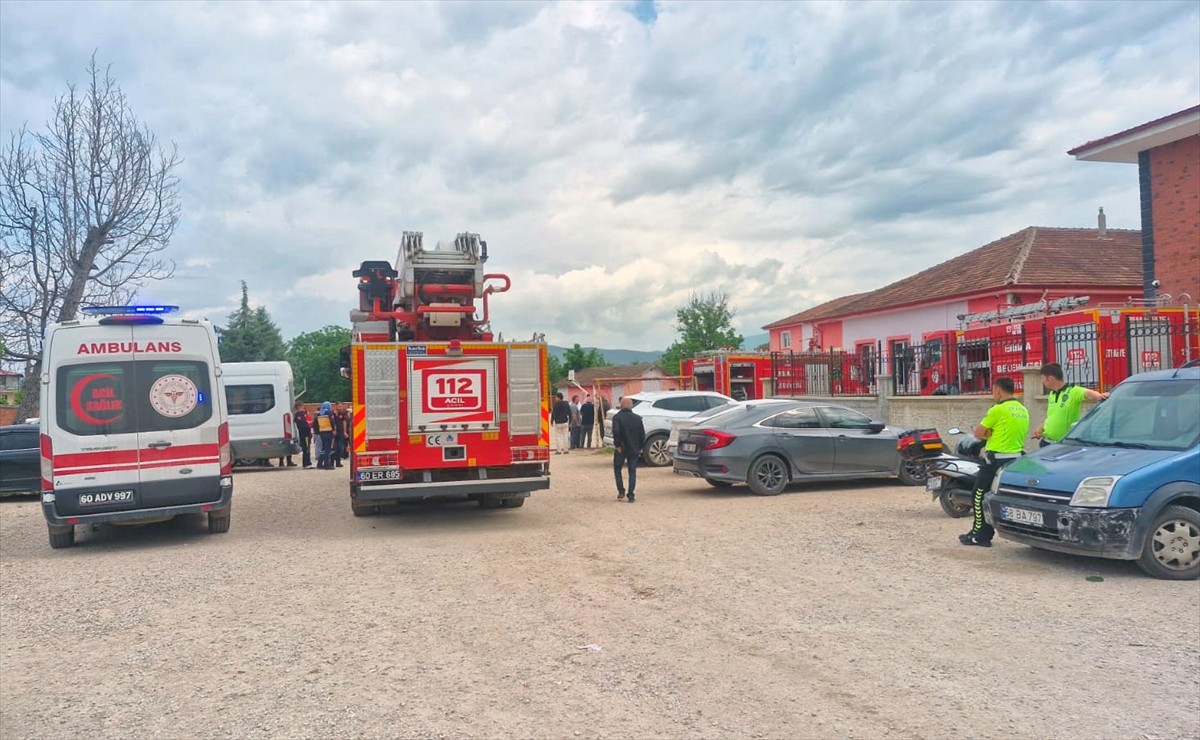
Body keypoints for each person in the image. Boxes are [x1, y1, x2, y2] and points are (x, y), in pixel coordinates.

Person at [960, 377, 1030, 547]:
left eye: (993, 391)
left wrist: (988, 433)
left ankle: (980, 535)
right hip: (1015, 459)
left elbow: (978, 433)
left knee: (978, 495)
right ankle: (980, 531)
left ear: (998, 390)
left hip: (995, 460)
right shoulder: (1023, 410)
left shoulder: (998, 409)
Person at [1034, 363, 1108, 447]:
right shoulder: (1052, 394)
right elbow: (1052, 416)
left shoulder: (1073, 391)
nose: (1042, 381)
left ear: (1050, 378)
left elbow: (1087, 393)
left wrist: (1099, 396)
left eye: (1042, 378)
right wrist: (1040, 428)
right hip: (1046, 442)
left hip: (1063, 445)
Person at [610, 397, 646, 502]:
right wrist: (640, 447)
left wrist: (617, 445)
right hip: (634, 447)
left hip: (621, 447)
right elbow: (642, 434)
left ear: (621, 406)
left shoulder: (617, 417)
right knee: (632, 471)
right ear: (631, 406)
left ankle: (621, 490)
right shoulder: (637, 418)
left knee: (617, 468)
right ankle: (631, 494)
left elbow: (616, 432)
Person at [313, 401, 336, 470]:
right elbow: (332, 421)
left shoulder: (319, 413)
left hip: (322, 432)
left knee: (323, 448)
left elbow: (315, 423)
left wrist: (318, 431)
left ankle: (319, 464)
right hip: (328, 432)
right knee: (328, 449)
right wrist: (334, 429)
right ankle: (327, 465)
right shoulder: (329, 413)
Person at [294, 403, 313, 469]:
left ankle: (306, 463)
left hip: (307, 434)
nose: (303, 408)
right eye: (302, 406)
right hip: (304, 435)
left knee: (307, 448)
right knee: (306, 449)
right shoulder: (298, 415)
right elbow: (303, 425)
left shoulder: (303, 414)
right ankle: (307, 463)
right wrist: (308, 428)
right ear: (298, 407)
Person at [332, 403, 349, 468]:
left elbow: (344, 422)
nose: (341, 408)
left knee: (340, 448)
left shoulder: (342, 414)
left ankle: (338, 463)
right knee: (333, 448)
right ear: (336, 406)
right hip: (333, 433)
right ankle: (331, 463)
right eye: (339, 406)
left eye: (341, 406)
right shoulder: (332, 413)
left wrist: (345, 432)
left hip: (340, 433)